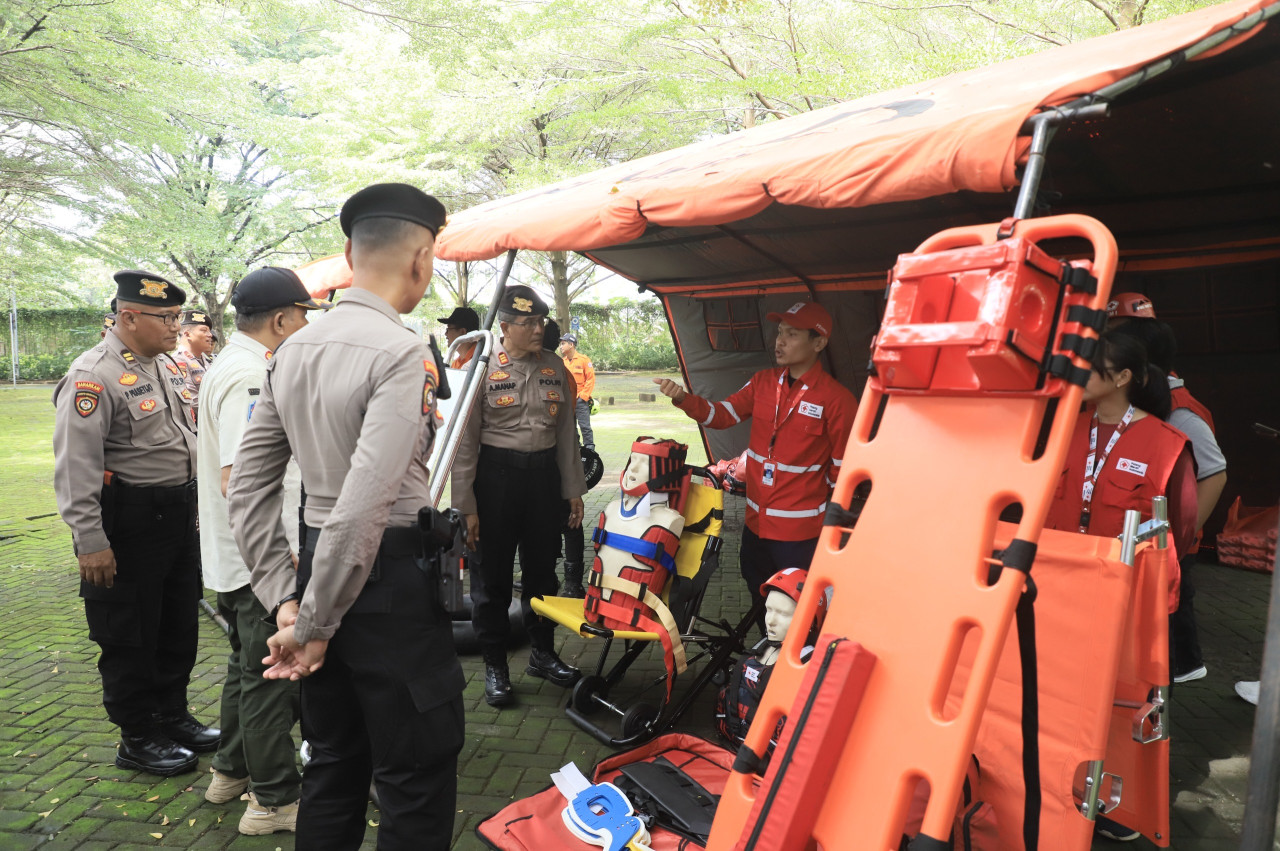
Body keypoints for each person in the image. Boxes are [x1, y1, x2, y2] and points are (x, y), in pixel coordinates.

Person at [227, 183, 464, 850]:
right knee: (414, 779)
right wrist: (313, 622)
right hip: (385, 586)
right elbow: (366, 501)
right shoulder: (401, 350)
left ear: (349, 252)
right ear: (421, 259)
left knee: (332, 768)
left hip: (314, 578)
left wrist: (286, 602)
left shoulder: (293, 348)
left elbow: (246, 490)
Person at [52, 269, 218, 776]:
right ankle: (138, 734)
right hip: (128, 522)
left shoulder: (162, 364)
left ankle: (171, 715)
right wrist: (90, 542)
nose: (177, 326)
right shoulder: (92, 375)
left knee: (176, 624)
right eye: (167, 317)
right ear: (128, 316)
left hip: (175, 515)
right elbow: (75, 468)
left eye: (176, 316)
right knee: (129, 633)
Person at [1042, 329, 1198, 843]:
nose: (1077, 373)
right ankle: (1057, 787)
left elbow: (1180, 526)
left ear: (1123, 377)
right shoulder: (1065, 430)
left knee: (1117, 701)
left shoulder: (1165, 443)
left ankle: (1113, 801)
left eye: (1090, 365)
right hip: (1061, 594)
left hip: (1125, 603)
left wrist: (1163, 604)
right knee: (1061, 696)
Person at [198, 267, 328, 835]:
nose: (304, 326)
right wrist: (280, 558)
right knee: (269, 679)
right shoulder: (252, 375)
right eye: (302, 316)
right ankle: (272, 799)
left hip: (240, 557)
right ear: (281, 319)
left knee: (244, 668)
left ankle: (229, 771)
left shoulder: (237, 364)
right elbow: (240, 480)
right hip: (258, 560)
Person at [653, 301, 857, 625]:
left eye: (792, 334)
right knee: (759, 596)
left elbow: (843, 470)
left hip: (799, 533)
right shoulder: (763, 383)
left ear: (818, 342)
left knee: (799, 607)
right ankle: (765, 663)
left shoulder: (837, 400)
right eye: (779, 333)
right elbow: (721, 415)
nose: (780, 341)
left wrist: (831, 525)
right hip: (755, 525)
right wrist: (683, 398)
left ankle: (797, 665)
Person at [451, 284, 588, 707]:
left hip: (543, 481)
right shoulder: (480, 367)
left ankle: (542, 654)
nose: (537, 329)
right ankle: (495, 663)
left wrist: (573, 490)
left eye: (540, 322)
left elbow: (566, 436)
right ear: (505, 327)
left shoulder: (555, 367)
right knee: (490, 580)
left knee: (542, 573)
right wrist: (466, 506)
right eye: (527, 323)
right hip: (494, 481)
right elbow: (464, 443)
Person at [1108, 293, 1227, 684]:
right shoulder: (1141, 406)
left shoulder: (1179, 411)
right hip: (1149, 539)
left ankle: (1182, 668)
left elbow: (1215, 472)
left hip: (1171, 540)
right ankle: (1182, 665)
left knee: (1175, 604)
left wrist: (1181, 535)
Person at [541, 319, 587, 597]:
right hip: (561, 453)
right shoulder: (561, 369)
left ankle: (571, 582)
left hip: (558, 453)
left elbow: (564, 421)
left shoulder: (556, 370)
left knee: (570, 518)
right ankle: (567, 582)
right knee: (567, 518)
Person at [172, 308, 215, 418]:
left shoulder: (207, 360)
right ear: (188, 334)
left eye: (209, 331)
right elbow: (192, 401)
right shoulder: (178, 360)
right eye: (204, 330)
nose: (210, 335)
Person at [559, 332, 596, 452]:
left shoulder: (584, 360)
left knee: (585, 426)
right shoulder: (562, 362)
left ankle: (590, 450)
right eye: (560, 344)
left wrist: (583, 397)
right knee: (570, 427)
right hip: (567, 401)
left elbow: (590, 379)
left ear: (571, 344)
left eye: (563, 344)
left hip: (580, 400)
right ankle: (575, 449)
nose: (561, 346)